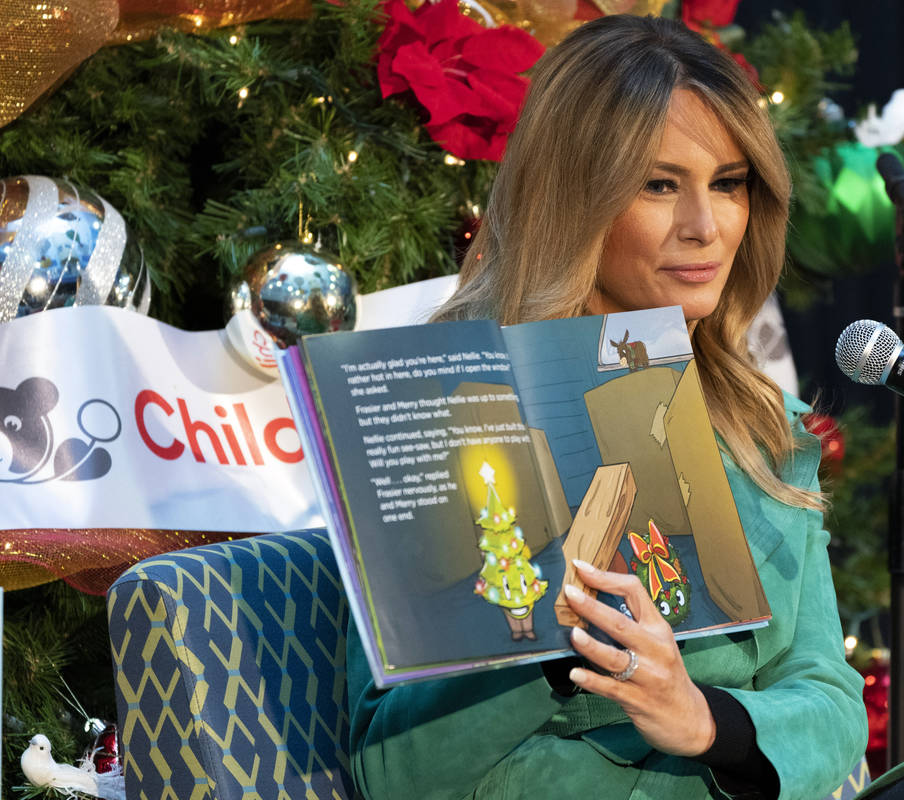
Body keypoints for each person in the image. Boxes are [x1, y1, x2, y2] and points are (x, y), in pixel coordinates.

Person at [346, 14, 868, 799]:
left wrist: (705, 723)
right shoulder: (449, 412)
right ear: (575, 199)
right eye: (660, 185)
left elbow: (830, 702)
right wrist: (557, 642)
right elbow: (396, 772)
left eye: (728, 184)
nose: (706, 227)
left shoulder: (766, 425)